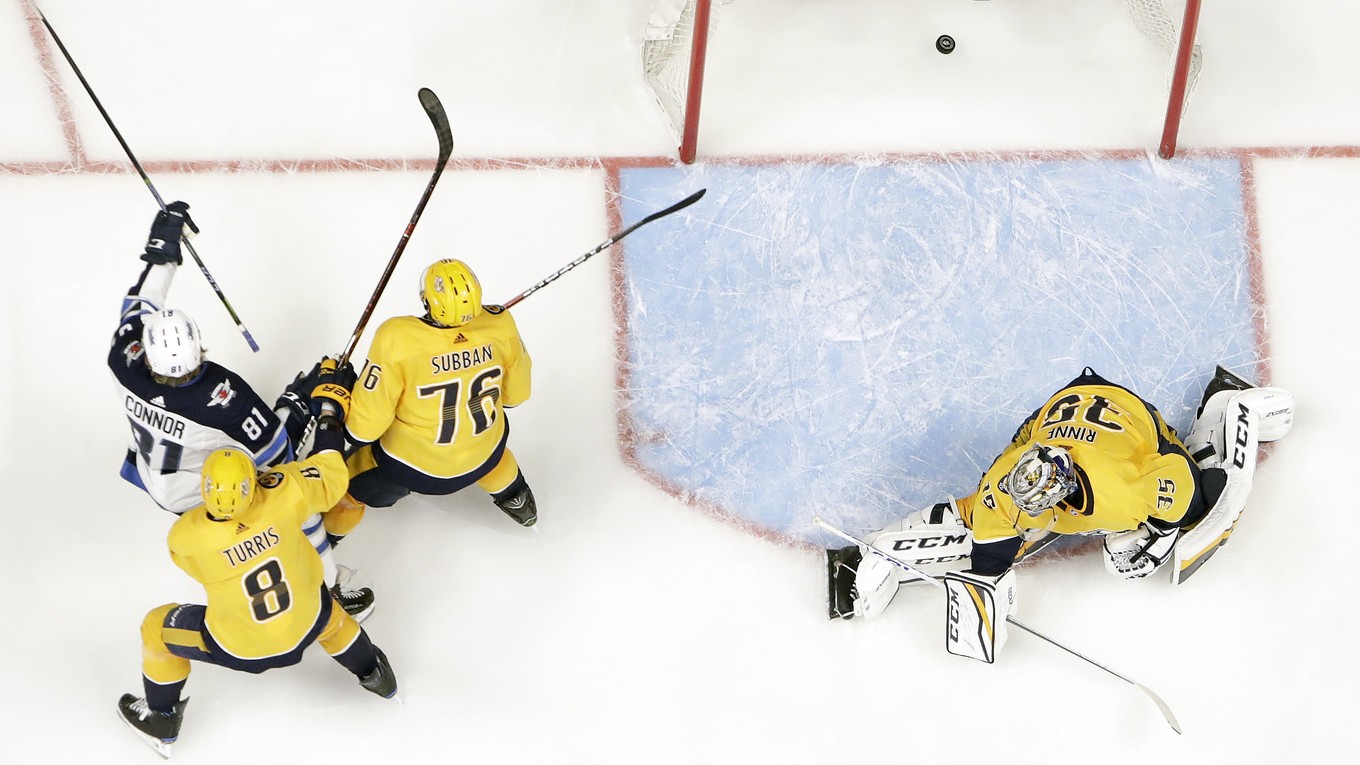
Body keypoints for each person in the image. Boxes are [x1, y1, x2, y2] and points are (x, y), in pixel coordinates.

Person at [826, 366, 1294, 663]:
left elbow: (1188, 486)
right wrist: (988, 582)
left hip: (1125, 413)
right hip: (1048, 418)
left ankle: (1224, 404)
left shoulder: (1126, 489)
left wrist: (1164, 530)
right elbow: (987, 548)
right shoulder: (1007, 482)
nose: (1030, 511)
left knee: (1172, 528)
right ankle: (859, 560)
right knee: (979, 525)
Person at [116, 362, 398, 758]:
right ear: (255, 481)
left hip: (240, 649)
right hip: (310, 619)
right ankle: (375, 674)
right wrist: (330, 411)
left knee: (155, 630)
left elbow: (195, 562)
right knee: (329, 617)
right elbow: (331, 471)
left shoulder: (187, 537)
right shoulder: (286, 492)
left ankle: (161, 719)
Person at [108, 202, 374, 620]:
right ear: (198, 346)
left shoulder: (125, 357)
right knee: (296, 502)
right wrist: (304, 402)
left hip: (154, 475)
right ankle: (329, 591)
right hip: (204, 493)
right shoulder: (221, 394)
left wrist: (163, 252)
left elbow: (140, 301)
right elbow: (280, 458)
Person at [320, 258, 535, 546]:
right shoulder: (501, 323)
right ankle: (518, 501)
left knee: (344, 492)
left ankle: (322, 545)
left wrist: (340, 390)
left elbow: (362, 430)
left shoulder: (397, 339)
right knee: (493, 458)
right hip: (487, 453)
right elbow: (516, 396)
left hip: (414, 469)